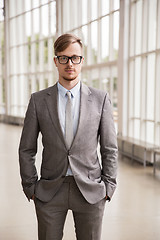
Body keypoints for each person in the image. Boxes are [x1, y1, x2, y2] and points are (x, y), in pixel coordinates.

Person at [19, 33, 118, 240]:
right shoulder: (38, 101)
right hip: (49, 190)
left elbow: (109, 148)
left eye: (75, 58)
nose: (69, 64)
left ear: (82, 60)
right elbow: (27, 149)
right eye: (63, 58)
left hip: (91, 191)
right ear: (56, 61)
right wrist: (30, 186)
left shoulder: (101, 99)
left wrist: (108, 187)